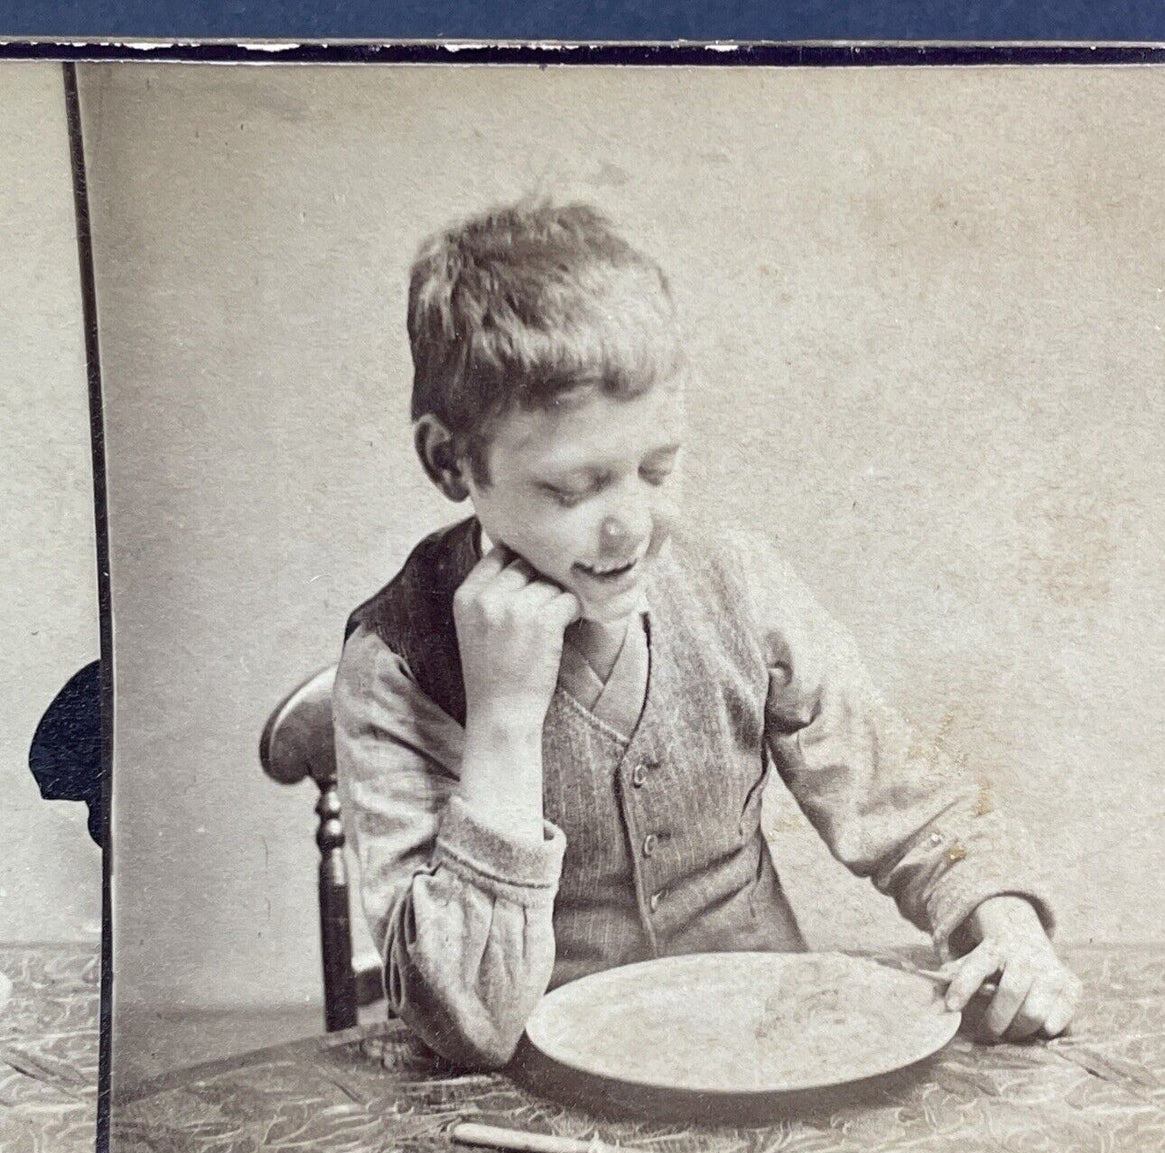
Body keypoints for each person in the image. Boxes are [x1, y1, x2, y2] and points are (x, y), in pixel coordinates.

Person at [334, 201, 1081, 1070]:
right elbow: (467, 1024)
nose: (631, 528)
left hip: (771, 1062)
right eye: (572, 490)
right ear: (448, 462)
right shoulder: (395, 661)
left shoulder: (737, 580)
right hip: (535, 1107)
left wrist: (1005, 923)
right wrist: (501, 718)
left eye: (656, 468)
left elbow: (907, 799)